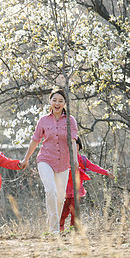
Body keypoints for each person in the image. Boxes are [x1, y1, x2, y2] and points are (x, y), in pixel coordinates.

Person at [20, 88, 79, 233]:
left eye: (60, 101)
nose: (57, 104)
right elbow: (35, 140)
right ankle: (54, 230)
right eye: (54, 100)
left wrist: (75, 159)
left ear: (65, 103)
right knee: (50, 190)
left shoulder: (71, 120)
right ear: (50, 101)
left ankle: (53, 222)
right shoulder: (43, 120)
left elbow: (73, 141)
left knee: (60, 198)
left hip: (64, 163)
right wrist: (26, 159)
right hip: (45, 159)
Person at [60, 138, 115, 230]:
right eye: (71, 145)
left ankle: (74, 229)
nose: (74, 148)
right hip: (64, 191)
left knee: (75, 211)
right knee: (64, 212)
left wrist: (106, 172)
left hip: (77, 190)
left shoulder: (82, 159)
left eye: (76, 145)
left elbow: (93, 167)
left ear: (79, 146)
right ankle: (60, 227)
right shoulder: (63, 159)